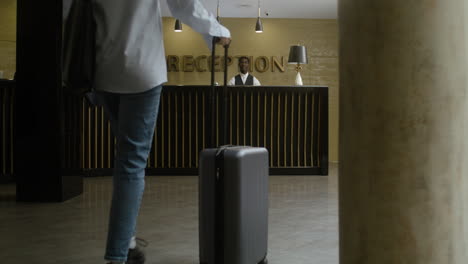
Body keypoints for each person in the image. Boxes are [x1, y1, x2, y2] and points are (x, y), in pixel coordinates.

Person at [65, 0, 231, 263]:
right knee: (131, 164)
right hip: (143, 71)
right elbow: (183, 4)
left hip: (103, 70)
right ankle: (117, 255)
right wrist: (216, 29)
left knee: (125, 159)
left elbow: (69, 11)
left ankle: (127, 243)